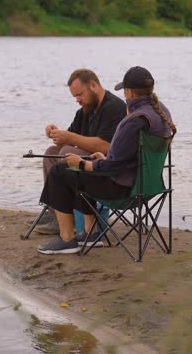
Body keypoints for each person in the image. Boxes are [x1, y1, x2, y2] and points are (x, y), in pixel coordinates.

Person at [37, 66, 177, 255]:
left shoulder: (133, 120)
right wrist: (101, 159)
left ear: (129, 92)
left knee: (61, 172)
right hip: (147, 185)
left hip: (122, 189)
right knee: (76, 172)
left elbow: (112, 166)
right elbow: (124, 157)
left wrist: (82, 163)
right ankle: (92, 234)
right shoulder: (161, 112)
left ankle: (67, 239)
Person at [34, 69, 126, 234]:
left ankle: (69, 218)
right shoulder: (85, 110)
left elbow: (107, 146)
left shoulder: (114, 107)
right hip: (87, 164)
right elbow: (70, 137)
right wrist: (55, 133)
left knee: (67, 151)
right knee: (51, 152)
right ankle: (56, 213)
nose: (77, 100)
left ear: (93, 85)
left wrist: (69, 138)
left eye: (80, 94)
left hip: (105, 169)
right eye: (75, 96)